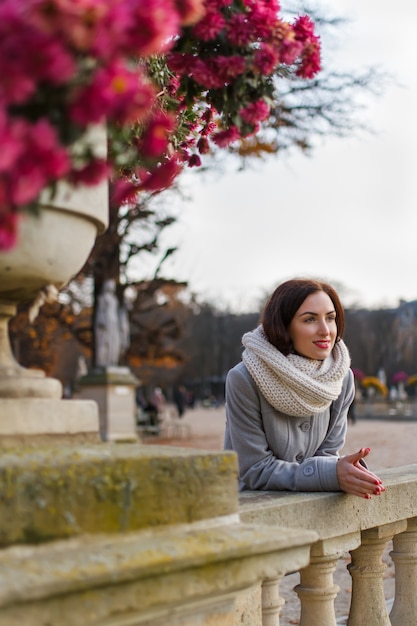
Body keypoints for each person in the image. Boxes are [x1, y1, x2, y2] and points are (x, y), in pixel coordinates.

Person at [224, 278, 385, 500]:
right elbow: (255, 469)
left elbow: (327, 455)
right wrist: (331, 473)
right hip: (252, 511)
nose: (325, 330)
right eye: (310, 319)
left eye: (330, 318)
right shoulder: (244, 378)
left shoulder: (342, 377)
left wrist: (346, 471)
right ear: (283, 326)